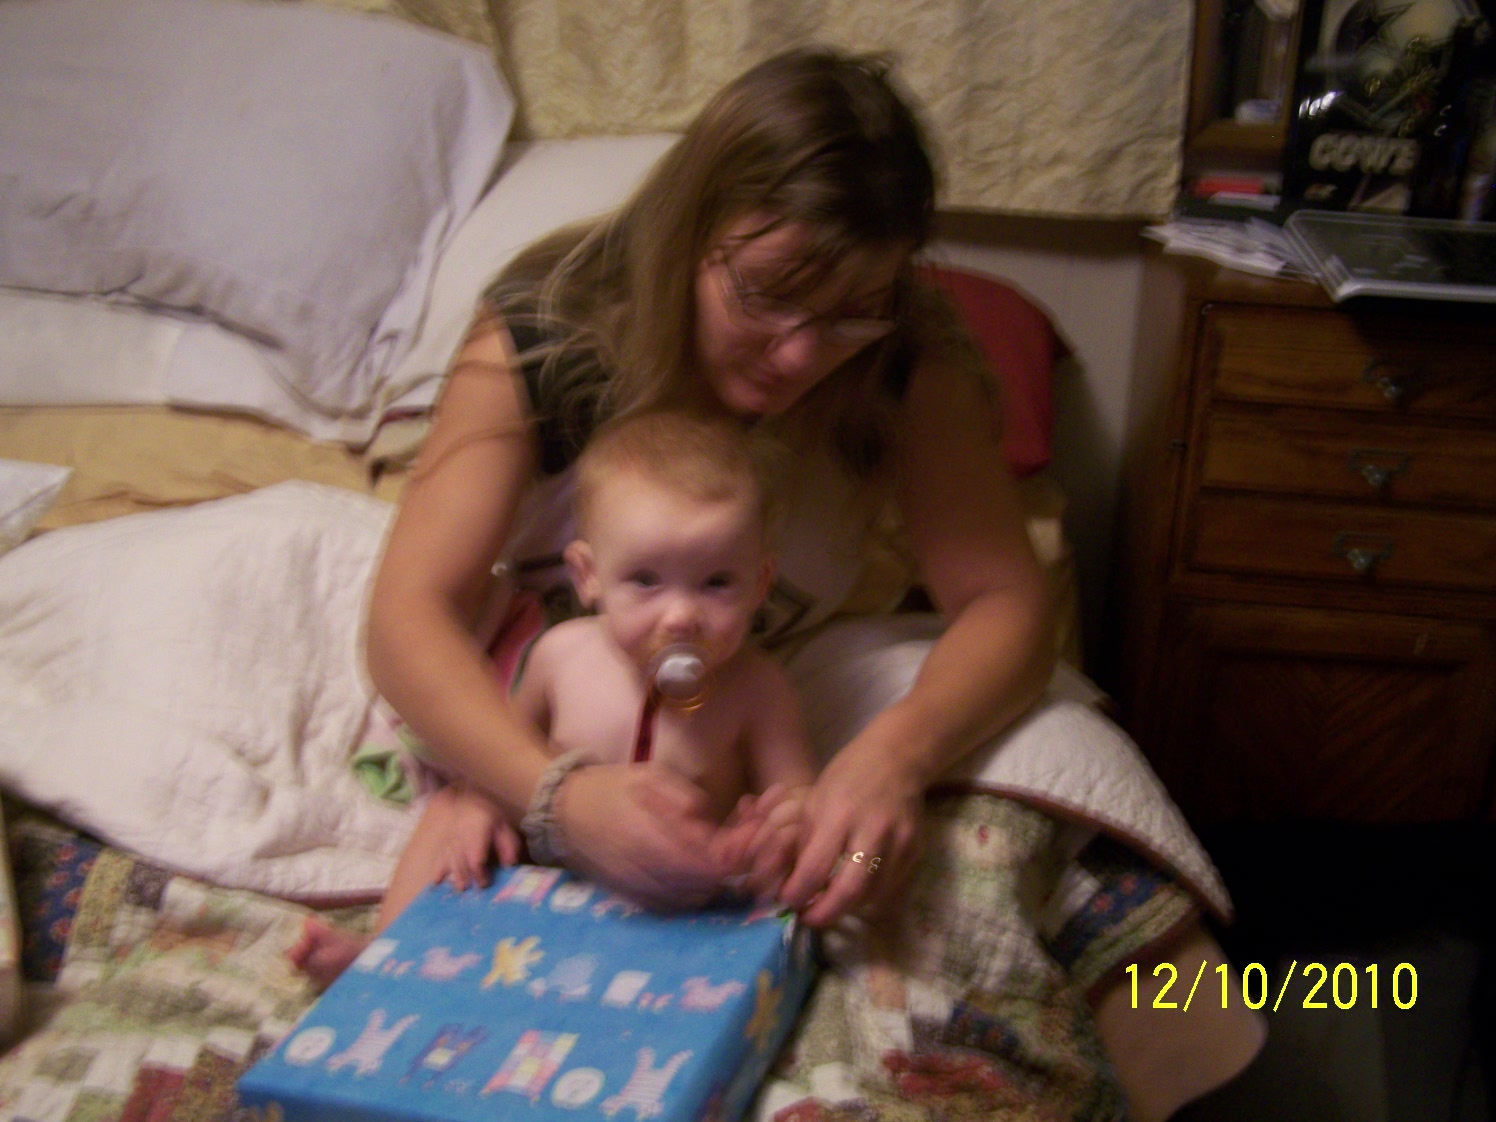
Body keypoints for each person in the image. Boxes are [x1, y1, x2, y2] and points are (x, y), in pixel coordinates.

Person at [362, 46, 1265, 1119]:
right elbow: (409, 613)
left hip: (759, 666)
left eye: (849, 312)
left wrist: (895, 756)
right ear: (690, 228)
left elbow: (1006, 604)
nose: (799, 355)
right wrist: (545, 792)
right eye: (768, 295)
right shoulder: (547, 322)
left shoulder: (905, 357)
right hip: (527, 669)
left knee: (1048, 758)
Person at [292, 411, 818, 988]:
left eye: (717, 583)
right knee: (451, 808)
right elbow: (501, 755)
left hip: (678, 891)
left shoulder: (759, 689)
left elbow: (798, 801)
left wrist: (770, 833)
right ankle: (384, 952)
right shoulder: (560, 656)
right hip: (548, 867)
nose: (680, 616)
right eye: (645, 580)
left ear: (760, 583)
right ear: (588, 575)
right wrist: (480, 808)